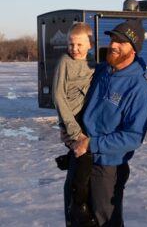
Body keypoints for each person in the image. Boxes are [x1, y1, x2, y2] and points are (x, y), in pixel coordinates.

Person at [73, 19, 147, 227]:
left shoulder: (139, 88)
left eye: (121, 42)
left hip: (108, 167)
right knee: (76, 217)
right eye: (113, 39)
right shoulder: (101, 71)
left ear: (133, 50)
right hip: (80, 158)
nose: (114, 44)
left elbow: (133, 137)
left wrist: (92, 144)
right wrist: (70, 130)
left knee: (105, 221)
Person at [52, 22, 97, 226]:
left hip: (85, 123)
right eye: (71, 44)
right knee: (81, 160)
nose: (74, 49)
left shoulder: (93, 65)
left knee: (83, 165)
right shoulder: (65, 62)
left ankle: (82, 208)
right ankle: (76, 210)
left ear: (90, 45)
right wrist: (72, 129)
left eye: (79, 45)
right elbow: (58, 95)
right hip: (71, 123)